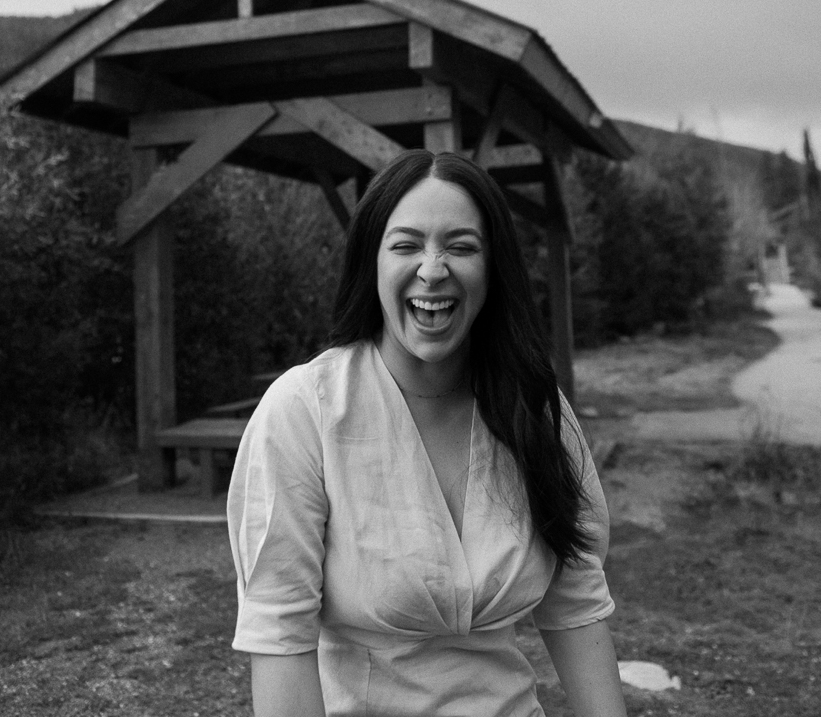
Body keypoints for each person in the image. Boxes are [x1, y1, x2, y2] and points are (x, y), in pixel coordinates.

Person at [227, 149, 627, 717]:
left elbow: (577, 608)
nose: (433, 269)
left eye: (461, 246)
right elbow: (279, 637)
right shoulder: (305, 412)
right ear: (372, 262)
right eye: (406, 244)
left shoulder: (535, 410)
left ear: (493, 270)